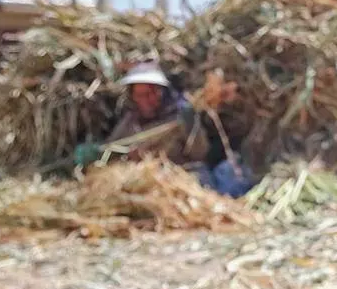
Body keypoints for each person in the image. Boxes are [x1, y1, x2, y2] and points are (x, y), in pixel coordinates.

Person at [75, 62, 255, 198]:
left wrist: (190, 124)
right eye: (142, 94)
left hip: (183, 176)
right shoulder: (131, 122)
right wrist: (98, 152)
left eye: (154, 92)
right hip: (147, 183)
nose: (149, 99)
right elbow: (112, 149)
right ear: (133, 96)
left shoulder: (180, 115)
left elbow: (200, 153)